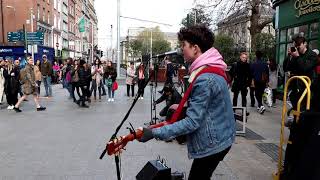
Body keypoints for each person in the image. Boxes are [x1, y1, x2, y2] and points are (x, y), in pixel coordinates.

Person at [138, 25, 236, 180]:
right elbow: (208, 104)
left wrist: (154, 133)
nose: (181, 49)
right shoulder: (210, 67)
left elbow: (192, 122)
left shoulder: (205, 79)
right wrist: (186, 106)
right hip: (222, 136)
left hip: (213, 143)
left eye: (183, 45)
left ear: (195, 48)